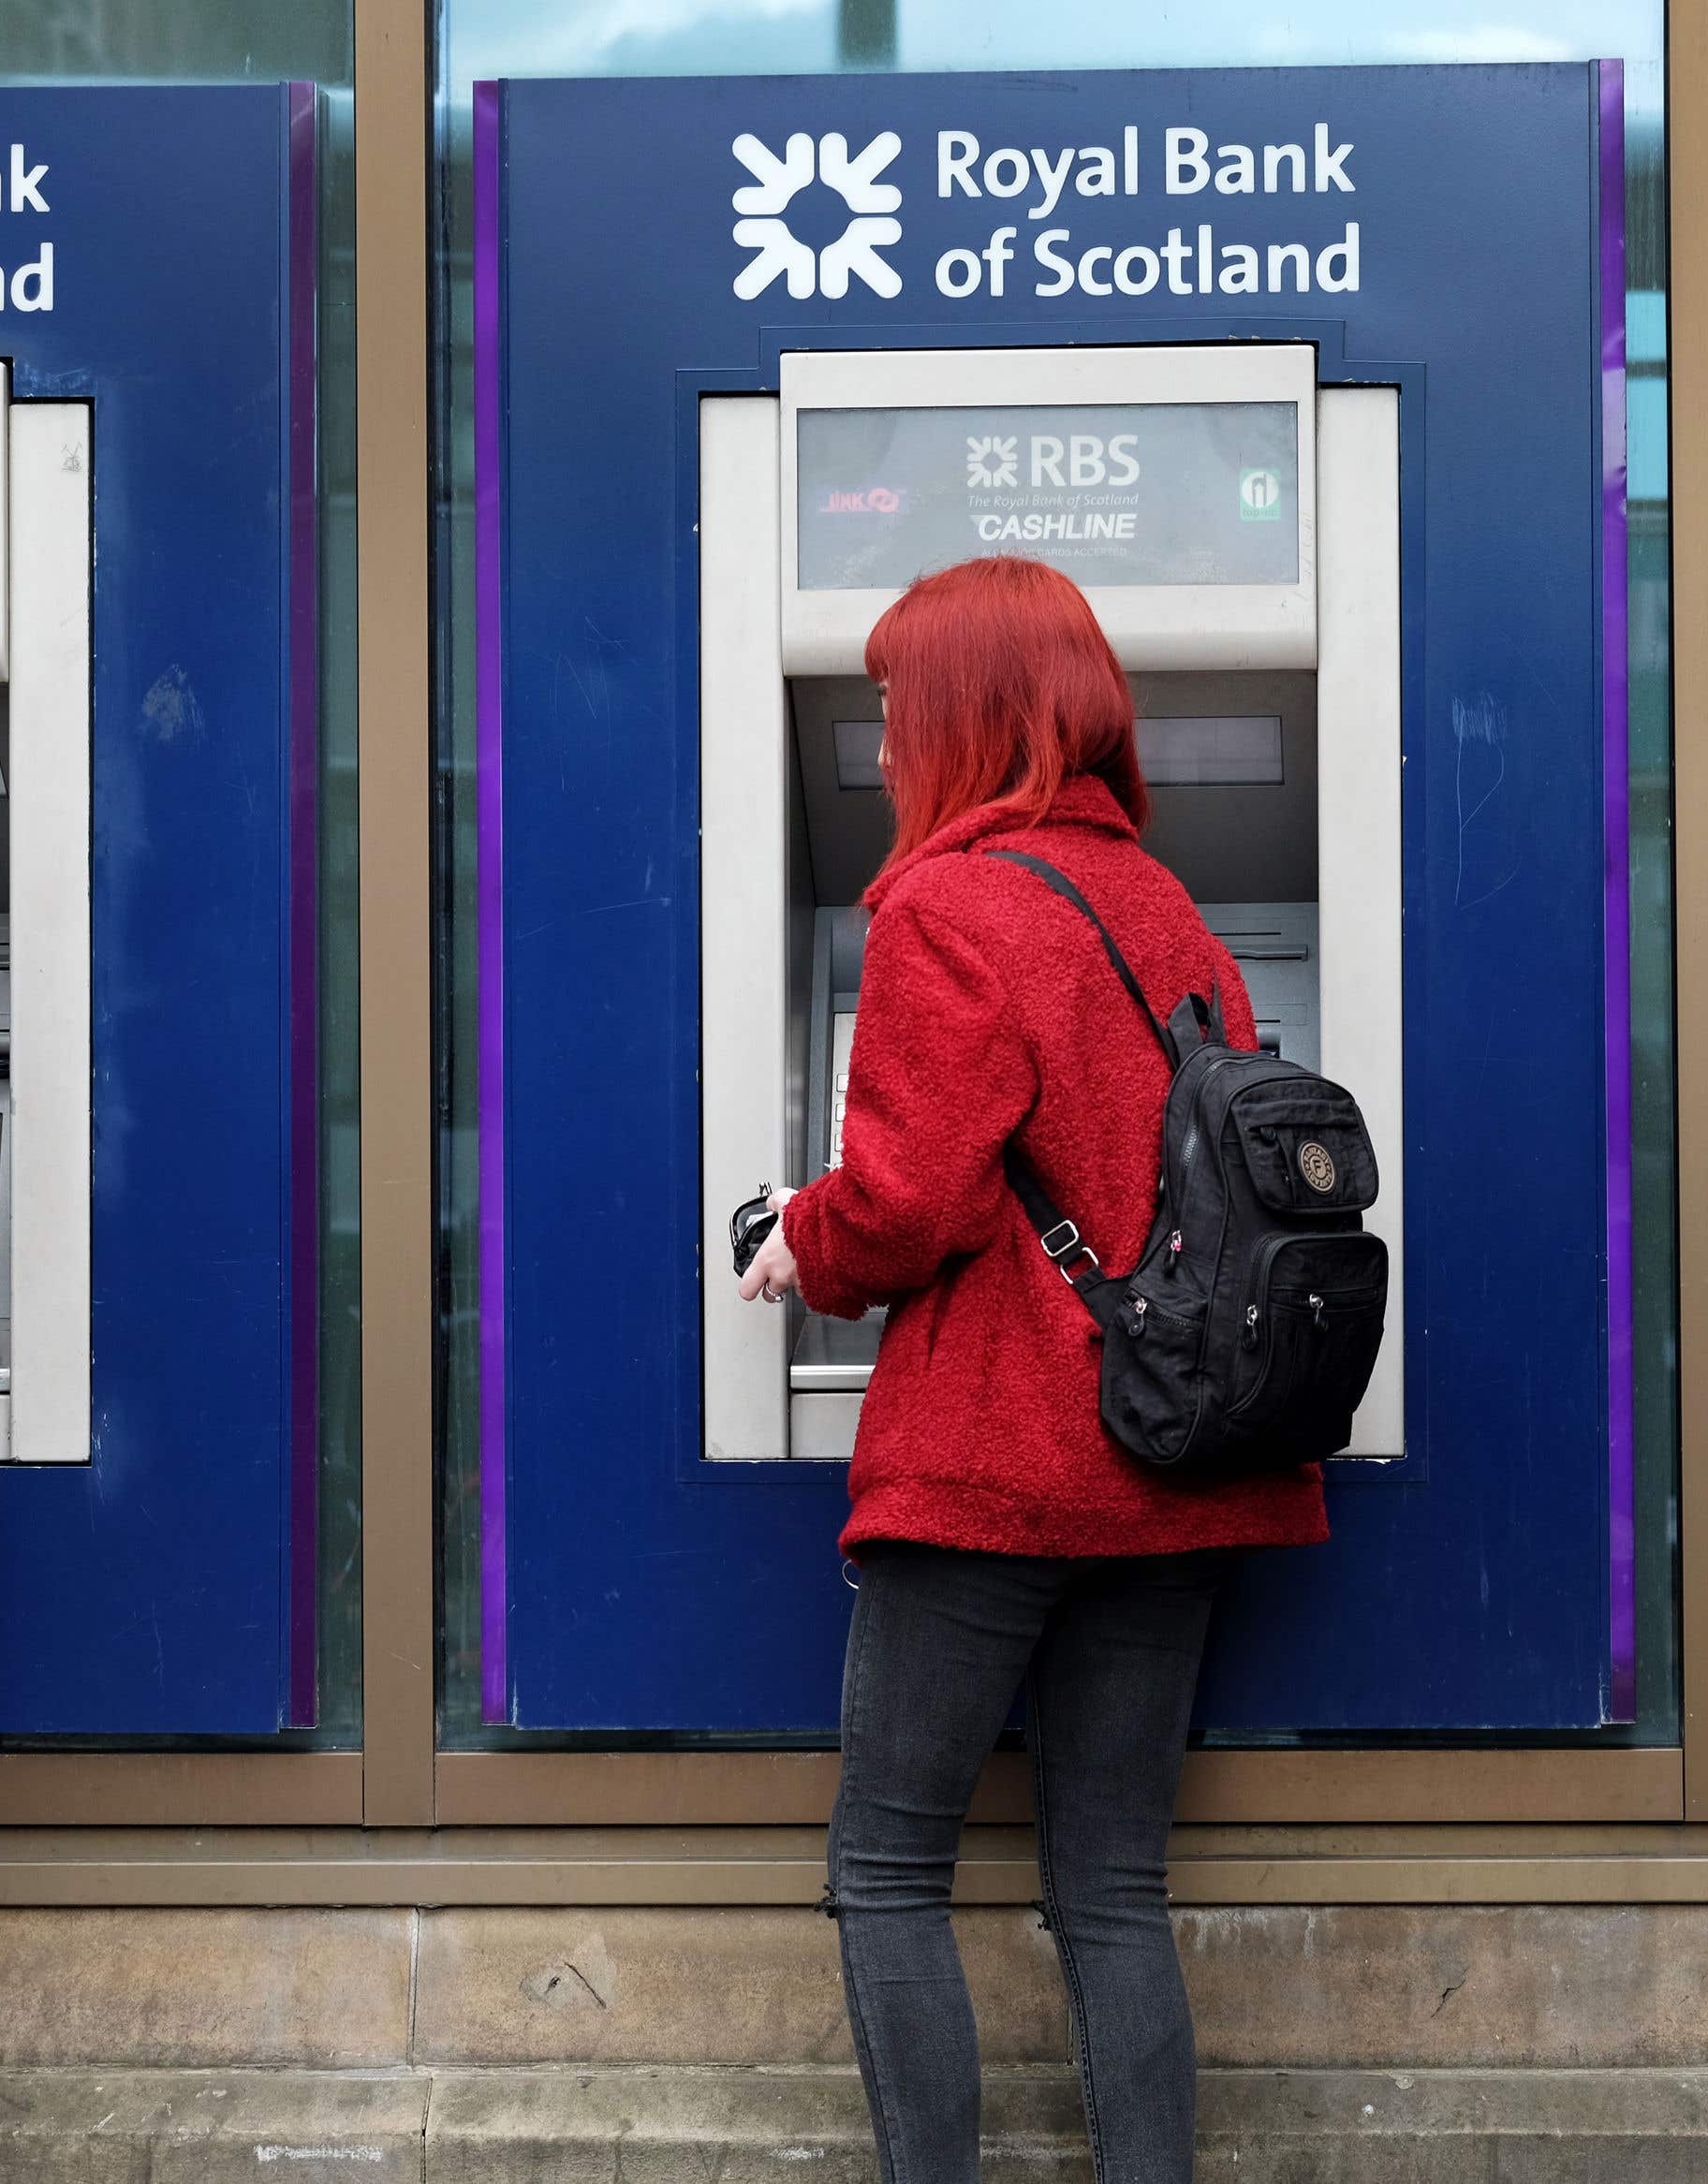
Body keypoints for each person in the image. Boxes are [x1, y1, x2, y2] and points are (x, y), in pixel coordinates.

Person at [736, 555, 1327, 2182]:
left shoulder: (944, 905)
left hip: (997, 1469)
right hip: (1178, 1456)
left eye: (889, 709)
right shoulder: (1171, 910)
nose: (875, 743)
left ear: (960, 715)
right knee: (1114, 1888)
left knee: (889, 1869)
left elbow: (914, 1196)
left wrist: (805, 1237)